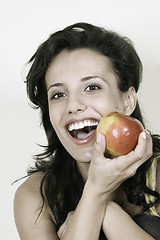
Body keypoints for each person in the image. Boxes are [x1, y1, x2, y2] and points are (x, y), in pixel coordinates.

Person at [14, 22, 160, 240]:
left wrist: (109, 214)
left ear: (128, 101)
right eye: (58, 94)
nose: (73, 105)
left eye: (92, 87)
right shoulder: (35, 197)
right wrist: (96, 192)